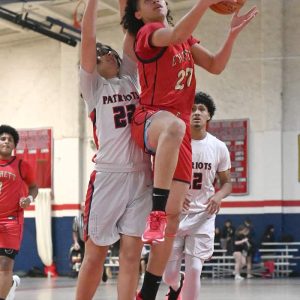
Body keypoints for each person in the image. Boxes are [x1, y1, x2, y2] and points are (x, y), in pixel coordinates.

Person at [121, 1, 257, 298]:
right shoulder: (148, 33)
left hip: (177, 131)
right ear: (137, 13)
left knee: (173, 220)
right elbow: (176, 32)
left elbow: (216, 66)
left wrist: (231, 34)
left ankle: (147, 293)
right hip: (150, 118)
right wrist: (204, 3)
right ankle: (155, 211)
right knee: (174, 126)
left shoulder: (185, 38)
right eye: (146, 0)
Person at [75, 0, 152, 299]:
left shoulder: (131, 78)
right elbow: (88, 38)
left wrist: (127, 3)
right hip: (109, 176)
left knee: (132, 255)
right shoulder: (93, 89)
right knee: (95, 253)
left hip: (141, 176)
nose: (107, 55)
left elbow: (131, 27)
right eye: (97, 56)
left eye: (107, 54)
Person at [163, 92, 232, 300]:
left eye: (201, 109)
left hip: (203, 215)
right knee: (169, 275)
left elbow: (227, 183)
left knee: (194, 268)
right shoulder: (174, 142)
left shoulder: (218, 147)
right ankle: (175, 287)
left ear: (209, 115)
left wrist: (218, 197)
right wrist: (173, 195)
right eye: (192, 109)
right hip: (175, 213)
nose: (196, 113)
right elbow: (157, 177)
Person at [0, 124, 38, 300]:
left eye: (10, 139)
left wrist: (28, 200)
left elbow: (33, 188)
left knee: (5, 264)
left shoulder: (21, 165)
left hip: (11, 220)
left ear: (14, 145)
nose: (6, 141)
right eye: (3, 138)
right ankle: (11, 285)